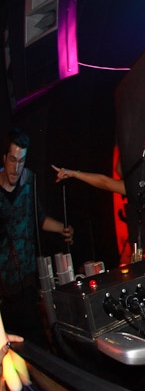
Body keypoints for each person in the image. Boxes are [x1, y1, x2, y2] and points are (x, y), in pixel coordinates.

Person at [0, 128, 73, 339]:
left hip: (27, 282)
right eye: (12, 160)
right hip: (3, 287)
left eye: (21, 161)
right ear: (4, 158)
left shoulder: (29, 181)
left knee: (34, 338)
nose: (16, 168)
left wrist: (63, 228)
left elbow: (39, 218)